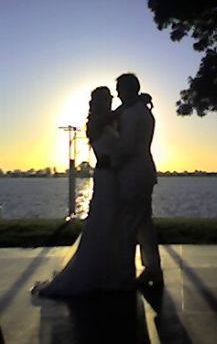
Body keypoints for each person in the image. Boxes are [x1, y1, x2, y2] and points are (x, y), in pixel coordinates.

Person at [31, 87, 129, 296]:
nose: (111, 102)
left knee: (112, 221)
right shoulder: (96, 122)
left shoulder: (109, 121)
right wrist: (133, 102)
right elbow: (115, 118)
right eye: (107, 99)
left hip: (114, 176)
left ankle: (109, 270)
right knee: (103, 219)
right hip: (106, 176)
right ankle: (94, 271)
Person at [112, 73, 163, 288]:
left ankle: (129, 273)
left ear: (130, 89)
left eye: (120, 89)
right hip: (139, 172)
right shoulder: (135, 110)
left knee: (131, 224)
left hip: (135, 174)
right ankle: (152, 268)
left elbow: (128, 145)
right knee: (142, 224)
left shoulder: (136, 113)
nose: (117, 94)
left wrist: (110, 164)